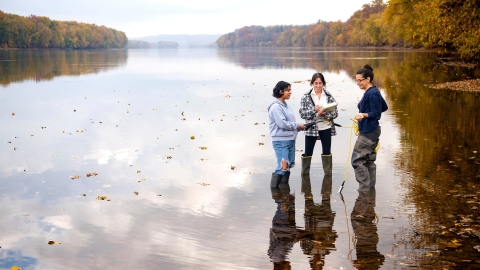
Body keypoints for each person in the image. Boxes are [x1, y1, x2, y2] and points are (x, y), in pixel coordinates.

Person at [351, 65, 388, 192]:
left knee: (357, 160)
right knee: (368, 161)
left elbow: (376, 113)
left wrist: (363, 114)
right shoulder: (374, 91)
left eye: (360, 80)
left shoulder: (372, 93)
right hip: (373, 131)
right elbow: (384, 107)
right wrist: (368, 112)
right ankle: (370, 192)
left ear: (368, 79)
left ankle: (364, 191)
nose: (358, 83)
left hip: (368, 132)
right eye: (356, 80)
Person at [299, 72, 338, 176]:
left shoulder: (329, 96)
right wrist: (314, 110)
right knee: (308, 153)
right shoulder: (306, 97)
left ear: (323, 84)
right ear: (312, 83)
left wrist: (325, 114)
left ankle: (328, 178)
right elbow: (302, 114)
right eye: (316, 83)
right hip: (311, 128)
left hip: (326, 127)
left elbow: (335, 113)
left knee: (327, 152)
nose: (318, 85)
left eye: (320, 83)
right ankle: (305, 178)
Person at [268, 81, 306, 187]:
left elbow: (291, 124)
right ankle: (275, 194)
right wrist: (298, 125)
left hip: (290, 140)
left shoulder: (287, 106)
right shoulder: (275, 107)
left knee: (288, 165)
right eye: (288, 90)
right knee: (283, 166)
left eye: (290, 90)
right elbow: (282, 124)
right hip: (280, 141)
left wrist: (300, 128)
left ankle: (285, 193)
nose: (290, 92)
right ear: (281, 91)